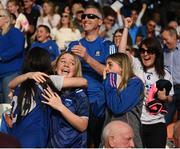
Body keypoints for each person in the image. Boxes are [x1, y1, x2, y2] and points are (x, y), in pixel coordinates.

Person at [67, 5, 117, 147]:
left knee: (96, 141)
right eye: (84, 16)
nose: (86, 19)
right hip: (75, 100)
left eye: (91, 16)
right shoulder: (73, 45)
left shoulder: (108, 45)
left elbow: (111, 74)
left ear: (100, 22)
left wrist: (87, 58)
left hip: (97, 102)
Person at [42, 52, 89, 147]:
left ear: (76, 70)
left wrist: (60, 107)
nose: (66, 65)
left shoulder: (80, 93)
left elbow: (83, 125)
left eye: (72, 63)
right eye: (63, 61)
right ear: (55, 67)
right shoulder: (47, 87)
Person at [103, 52, 144, 147]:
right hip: (111, 134)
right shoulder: (110, 85)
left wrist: (110, 79)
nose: (106, 69)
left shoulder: (135, 83)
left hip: (128, 136)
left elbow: (118, 107)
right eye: (106, 65)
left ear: (122, 66)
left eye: (110, 65)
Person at [139, 37, 174, 148]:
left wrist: (165, 97)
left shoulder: (165, 74)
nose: (145, 54)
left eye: (149, 51)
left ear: (157, 53)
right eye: (142, 51)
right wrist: (126, 28)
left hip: (157, 124)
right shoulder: (136, 68)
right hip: (137, 123)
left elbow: (171, 98)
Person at [0, 9, 25, 103]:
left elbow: (18, 48)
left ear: (6, 19)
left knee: (9, 104)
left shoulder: (15, 32)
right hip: (2, 74)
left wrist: (2, 56)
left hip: (11, 73)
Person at [162, 27, 180, 123]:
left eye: (166, 39)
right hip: (168, 90)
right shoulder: (162, 52)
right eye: (163, 39)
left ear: (173, 37)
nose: (164, 42)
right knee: (166, 118)